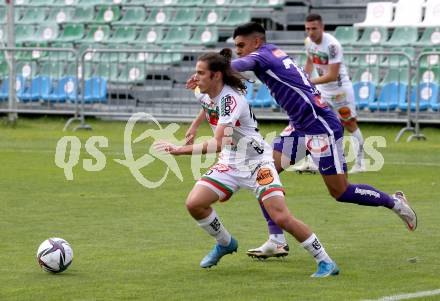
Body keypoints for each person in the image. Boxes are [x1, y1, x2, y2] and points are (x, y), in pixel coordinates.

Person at [187, 22, 417, 260]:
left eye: (241, 45)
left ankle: (395, 202)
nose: (239, 50)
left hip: (320, 126)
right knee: (265, 170)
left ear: (256, 42)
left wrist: (210, 71)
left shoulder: (261, 56)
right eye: (236, 47)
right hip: (299, 127)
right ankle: (276, 240)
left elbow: (240, 65)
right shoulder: (271, 52)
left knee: (340, 191)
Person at [157, 50, 340, 277]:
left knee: (281, 216)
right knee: (195, 203)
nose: (196, 78)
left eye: (200, 73)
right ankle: (225, 243)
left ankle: (325, 261)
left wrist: (179, 150)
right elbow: (205, 102)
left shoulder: (230, 100)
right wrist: (194, 126)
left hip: (257, 162)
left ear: (216, 76)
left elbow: (217, 144)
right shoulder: (204, 90)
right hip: (230, 162)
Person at [300, 13, 365, 174]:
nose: (310, 32)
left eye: (314, 28)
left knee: (349, 124)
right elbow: (309, 62)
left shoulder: (332, 46)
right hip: (322, 90)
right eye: (307, 29)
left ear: (322, 27)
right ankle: (312, 161)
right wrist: (305, 78)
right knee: (314, 121)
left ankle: (360, 163)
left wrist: (308, 82)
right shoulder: (309, 43)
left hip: (339, 91)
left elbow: (332, 75)